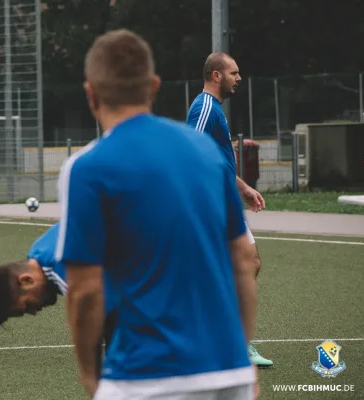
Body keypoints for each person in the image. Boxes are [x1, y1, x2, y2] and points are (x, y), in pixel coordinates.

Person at [56, 29, 259, 400]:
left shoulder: (85, 168)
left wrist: (90, 377)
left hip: (145, 377)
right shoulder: (208, 152)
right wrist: (238, 359)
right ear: (153, 86)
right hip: (227, 373)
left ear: (90, 92)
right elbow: (243, 260)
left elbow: (85, 291)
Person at [186, 51, 273, 368]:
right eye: (234, 73)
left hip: (223, 200)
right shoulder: (206, 107)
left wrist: (244, 187)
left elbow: (215, 160)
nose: (239, 78)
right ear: (216, 75)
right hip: (212, 204)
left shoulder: (214, 109)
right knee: (242, 265)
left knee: (249, 264)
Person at [0, 222, 119, 351]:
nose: (34, 312)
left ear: (27, 280)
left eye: (27, 306)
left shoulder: (62, 268)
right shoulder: (37, 251)